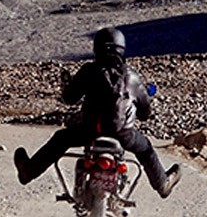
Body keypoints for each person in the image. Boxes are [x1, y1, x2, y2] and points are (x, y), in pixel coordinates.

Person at [14, 27, 181, 198]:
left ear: (96, 48)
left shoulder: (88, 71)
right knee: (146, 150)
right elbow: (146, 113)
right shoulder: (132, 76)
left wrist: (68, 86)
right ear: (121, 48)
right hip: (124, 135)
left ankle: (28, 171)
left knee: (60, 140)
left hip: (90, 131)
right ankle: (162, 184)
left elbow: (69, 98)